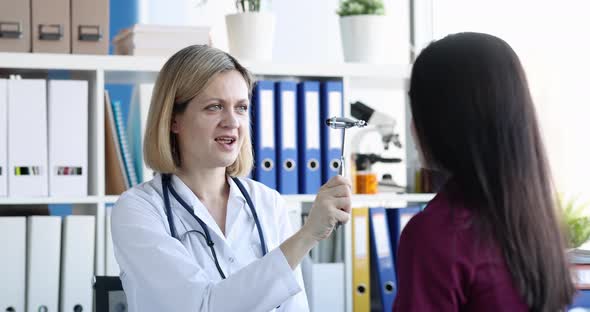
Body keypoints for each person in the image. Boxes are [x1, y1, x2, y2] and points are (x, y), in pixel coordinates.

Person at [111, 45, 352, 312]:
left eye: (241, 107)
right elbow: (202, 306)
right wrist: (307, 236)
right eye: (214, 107)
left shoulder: (267, 202)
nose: (232, 122)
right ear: (173, 120)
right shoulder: (138, 209)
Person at [394, 32, 575, 311]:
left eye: (416, 109)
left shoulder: (435, 235)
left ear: (443, 121)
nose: (411, 127)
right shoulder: (536, 222)